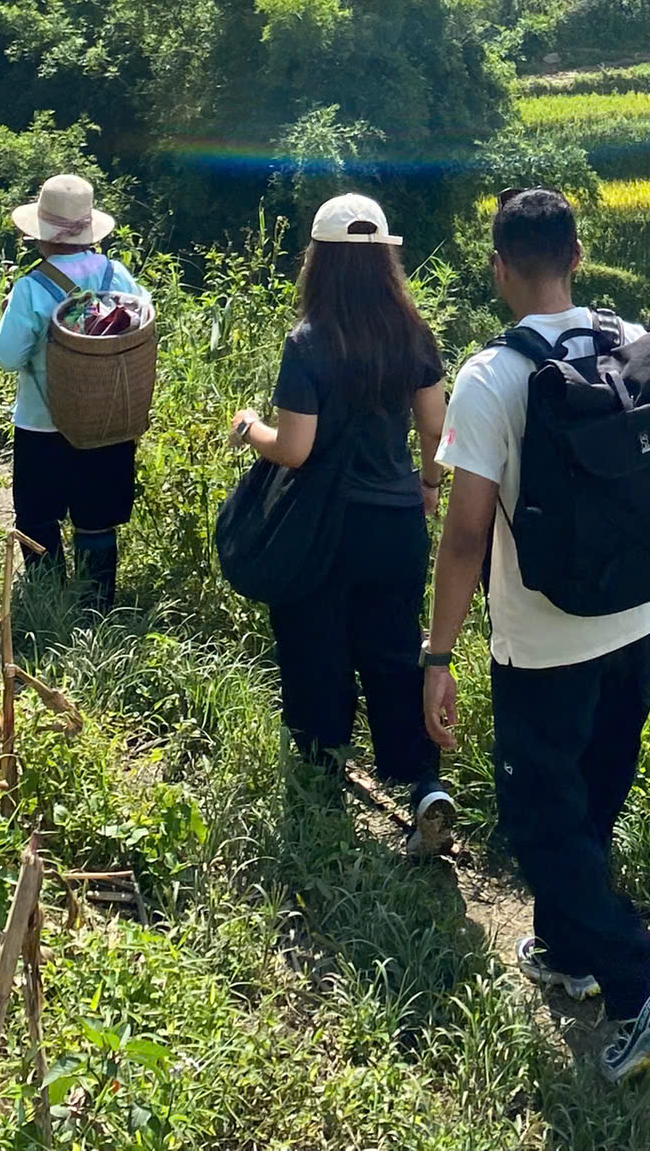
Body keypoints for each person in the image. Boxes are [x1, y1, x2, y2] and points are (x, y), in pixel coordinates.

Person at [425, 186, 650, 1086]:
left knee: (541, 822)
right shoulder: (635, 346)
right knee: (594, 793)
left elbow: (466, 533)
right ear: (579, 257)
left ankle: (639, 991)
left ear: (499, 267)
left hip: (546, 640)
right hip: (638, 617)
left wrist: (437, 658)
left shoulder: (491, 376)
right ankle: (564, 947)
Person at [229, 191, 456, 862]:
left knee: (314, 647)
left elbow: (296, 449)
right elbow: (437, 428)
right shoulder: (413, 336)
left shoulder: (309, 343)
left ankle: (323, 784)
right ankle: (421, 787)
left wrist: (250, 430)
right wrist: (428, 486)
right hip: (395, 527)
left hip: (321, 527)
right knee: (392, 655)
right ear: (386, 261)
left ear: (319, 262)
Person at [0, 172, 148, 611]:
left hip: (44, 424)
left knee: (39, 517)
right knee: (98, 520)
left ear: (40, 236)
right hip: (110, 422)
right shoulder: (119, 276)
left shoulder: (31, 287)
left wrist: (10, 315)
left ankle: (46, 599)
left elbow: (6, 355)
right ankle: (97, 604)